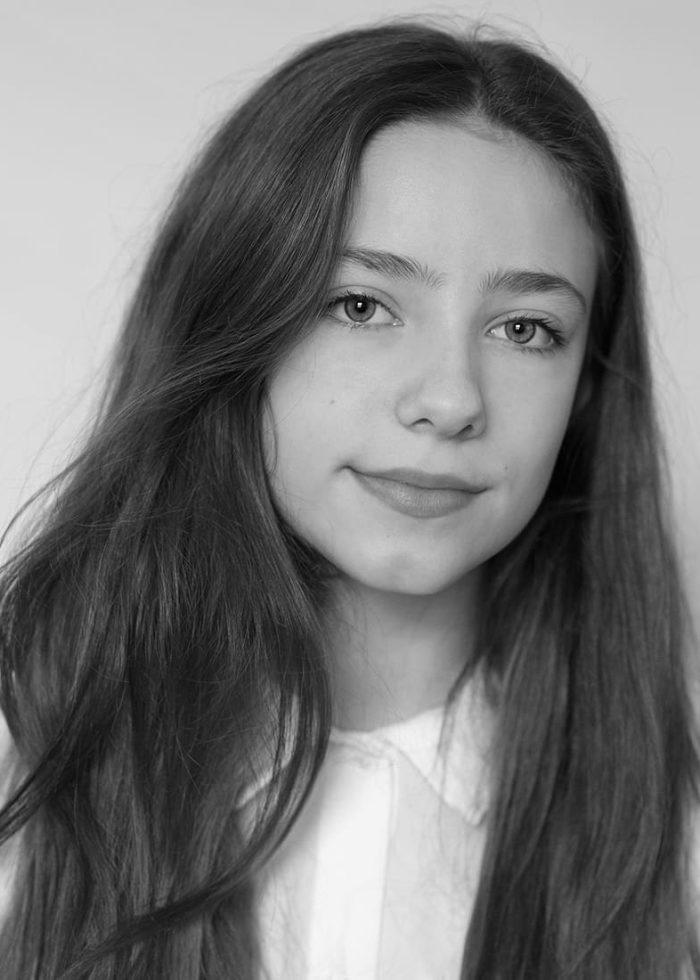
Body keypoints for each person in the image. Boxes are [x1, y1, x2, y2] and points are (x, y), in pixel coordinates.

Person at [0, 16, 697, 980]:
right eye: (361, 304)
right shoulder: (34, 780)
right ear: (236, 325)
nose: (450, 400)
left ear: (585, 386)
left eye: (527, 328)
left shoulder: (678, 840)